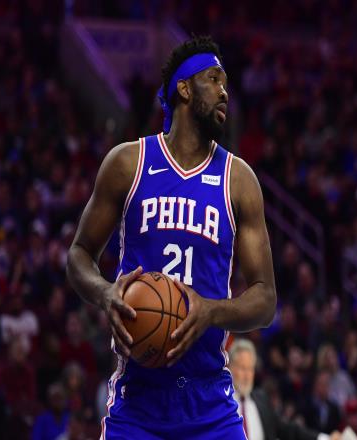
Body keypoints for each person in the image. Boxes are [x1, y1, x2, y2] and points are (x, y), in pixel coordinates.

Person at [66, 35, 277, 439]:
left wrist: (212, 311)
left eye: (226, 84)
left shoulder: (239, 180)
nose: (224, 92)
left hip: (210, 403)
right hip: (138, 402)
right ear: (184, 88)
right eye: (213, 80)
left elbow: (265, 299)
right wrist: (105, 293)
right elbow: (78, 254)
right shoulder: (128, 163)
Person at [228, 338, 340, 440]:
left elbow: (288, 429)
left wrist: (324, 438)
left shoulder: (260, 399)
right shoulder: (222, 403)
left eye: (250, 368)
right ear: (230, 368)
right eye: (242, 368)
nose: (247, 375)